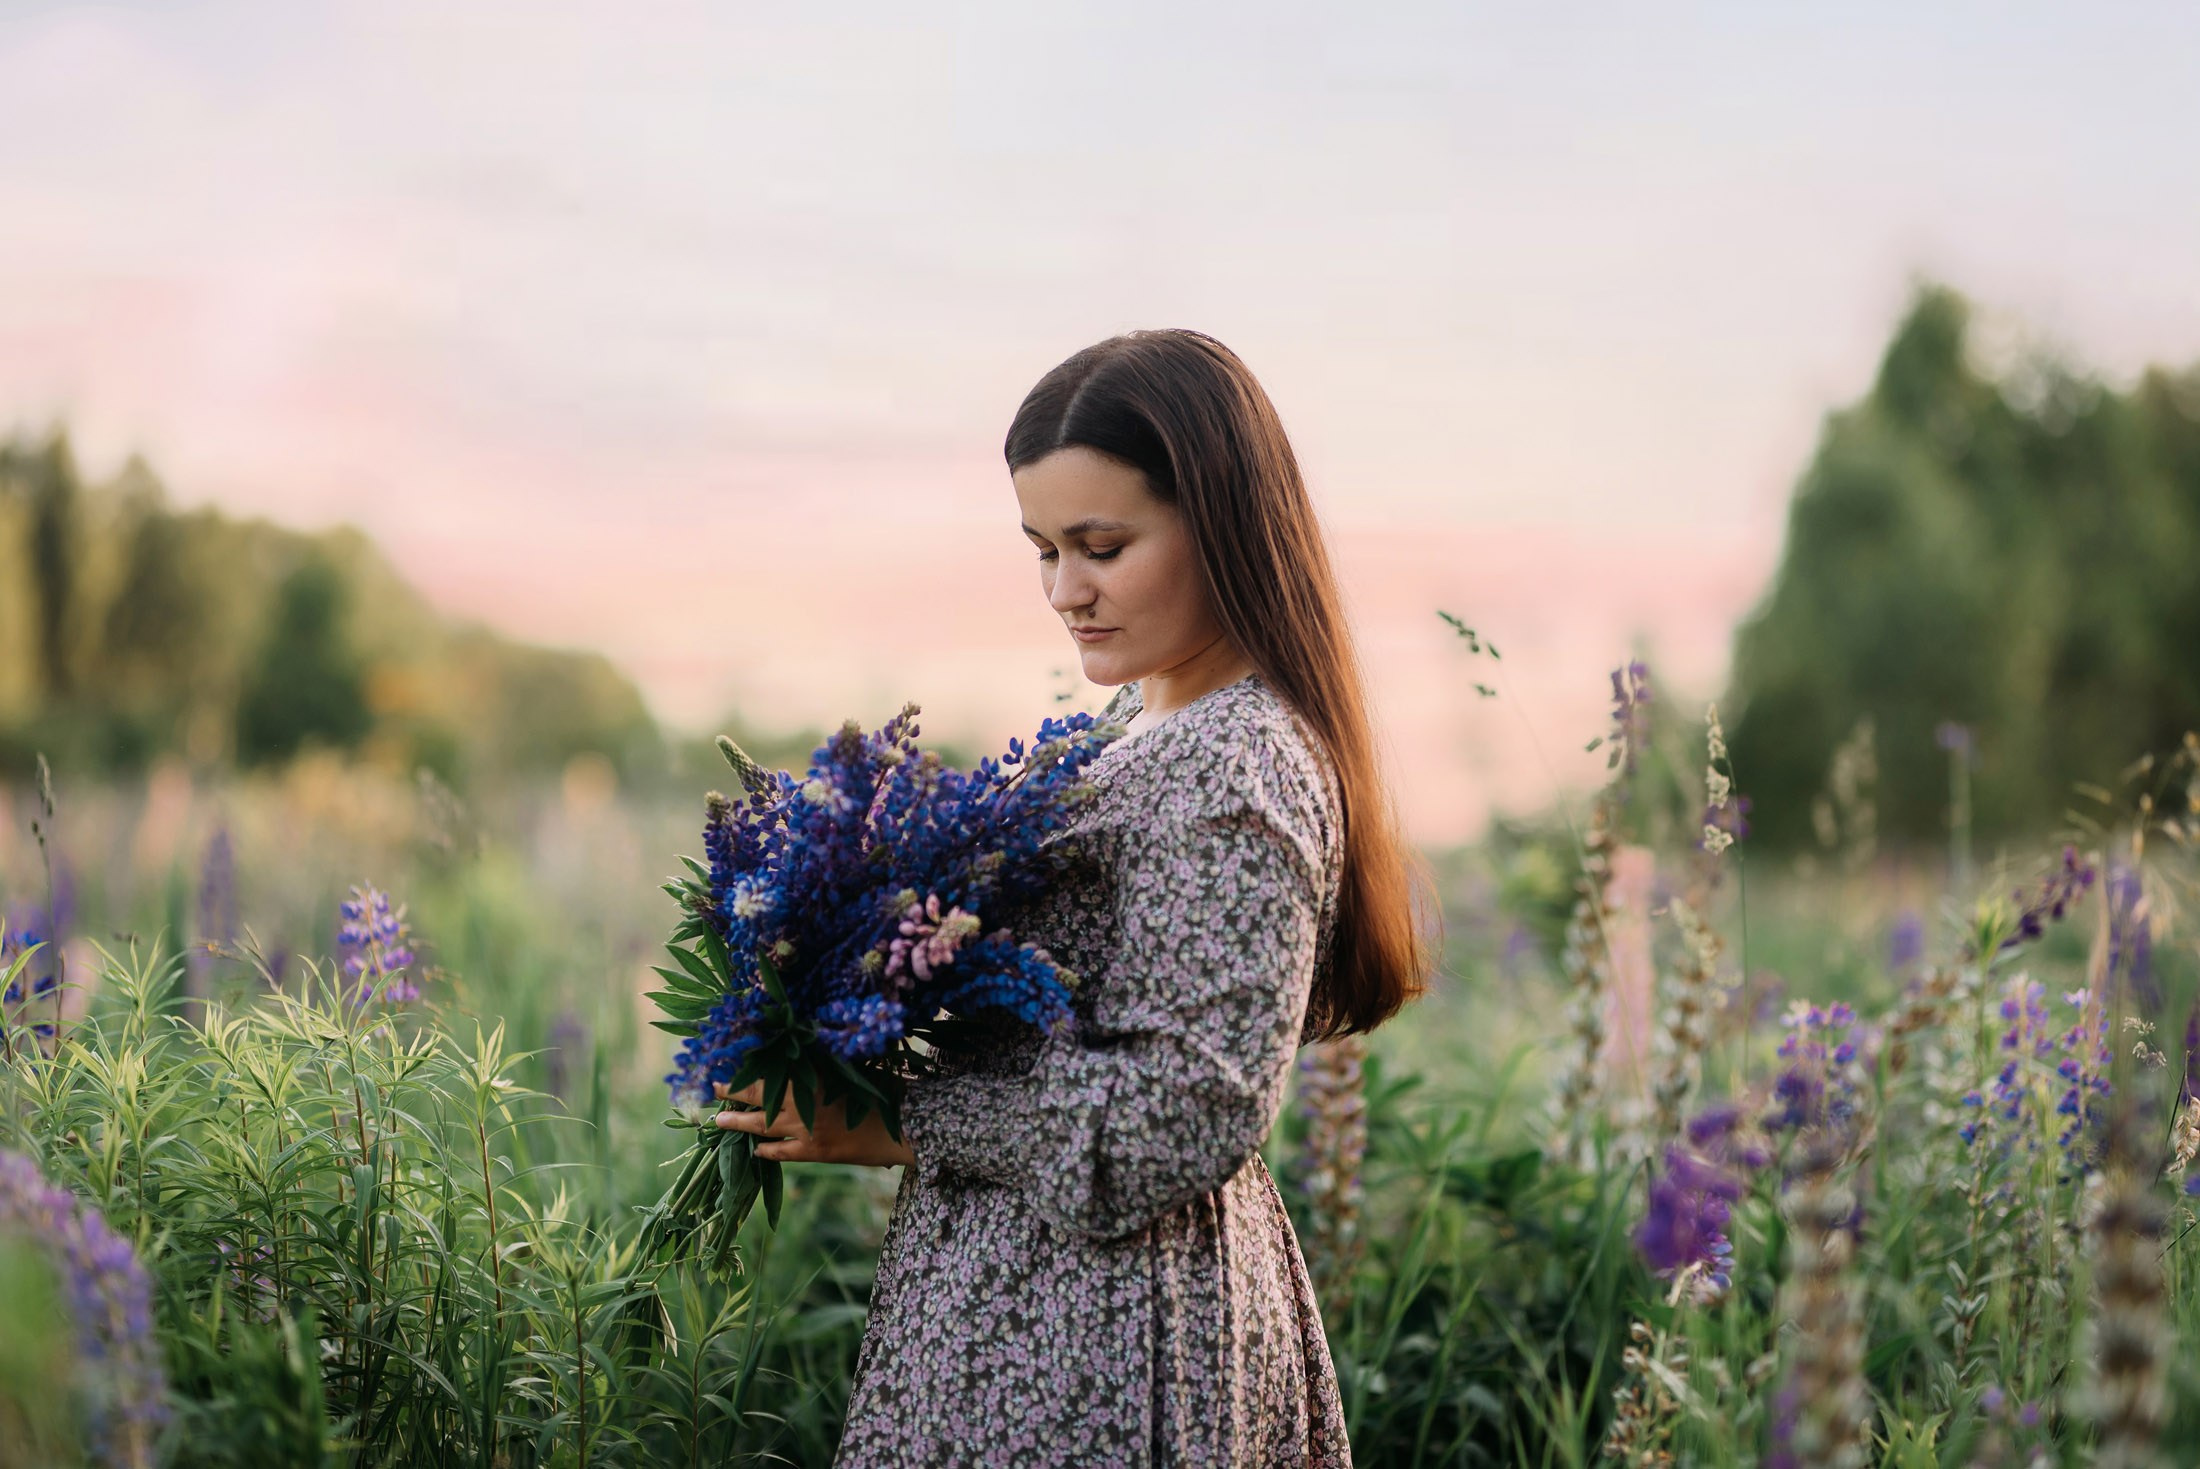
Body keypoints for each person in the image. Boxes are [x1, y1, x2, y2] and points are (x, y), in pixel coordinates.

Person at [713, 328, 1437, 1466]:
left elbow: (1186, 1107)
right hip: (1025, 1302)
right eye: (1042, 547)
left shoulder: (1237, 763)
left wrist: (900, 1118)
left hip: (1105, 1329)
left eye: (1101, 544)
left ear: (1225, 522)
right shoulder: (1129, 730)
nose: (1065, 589)